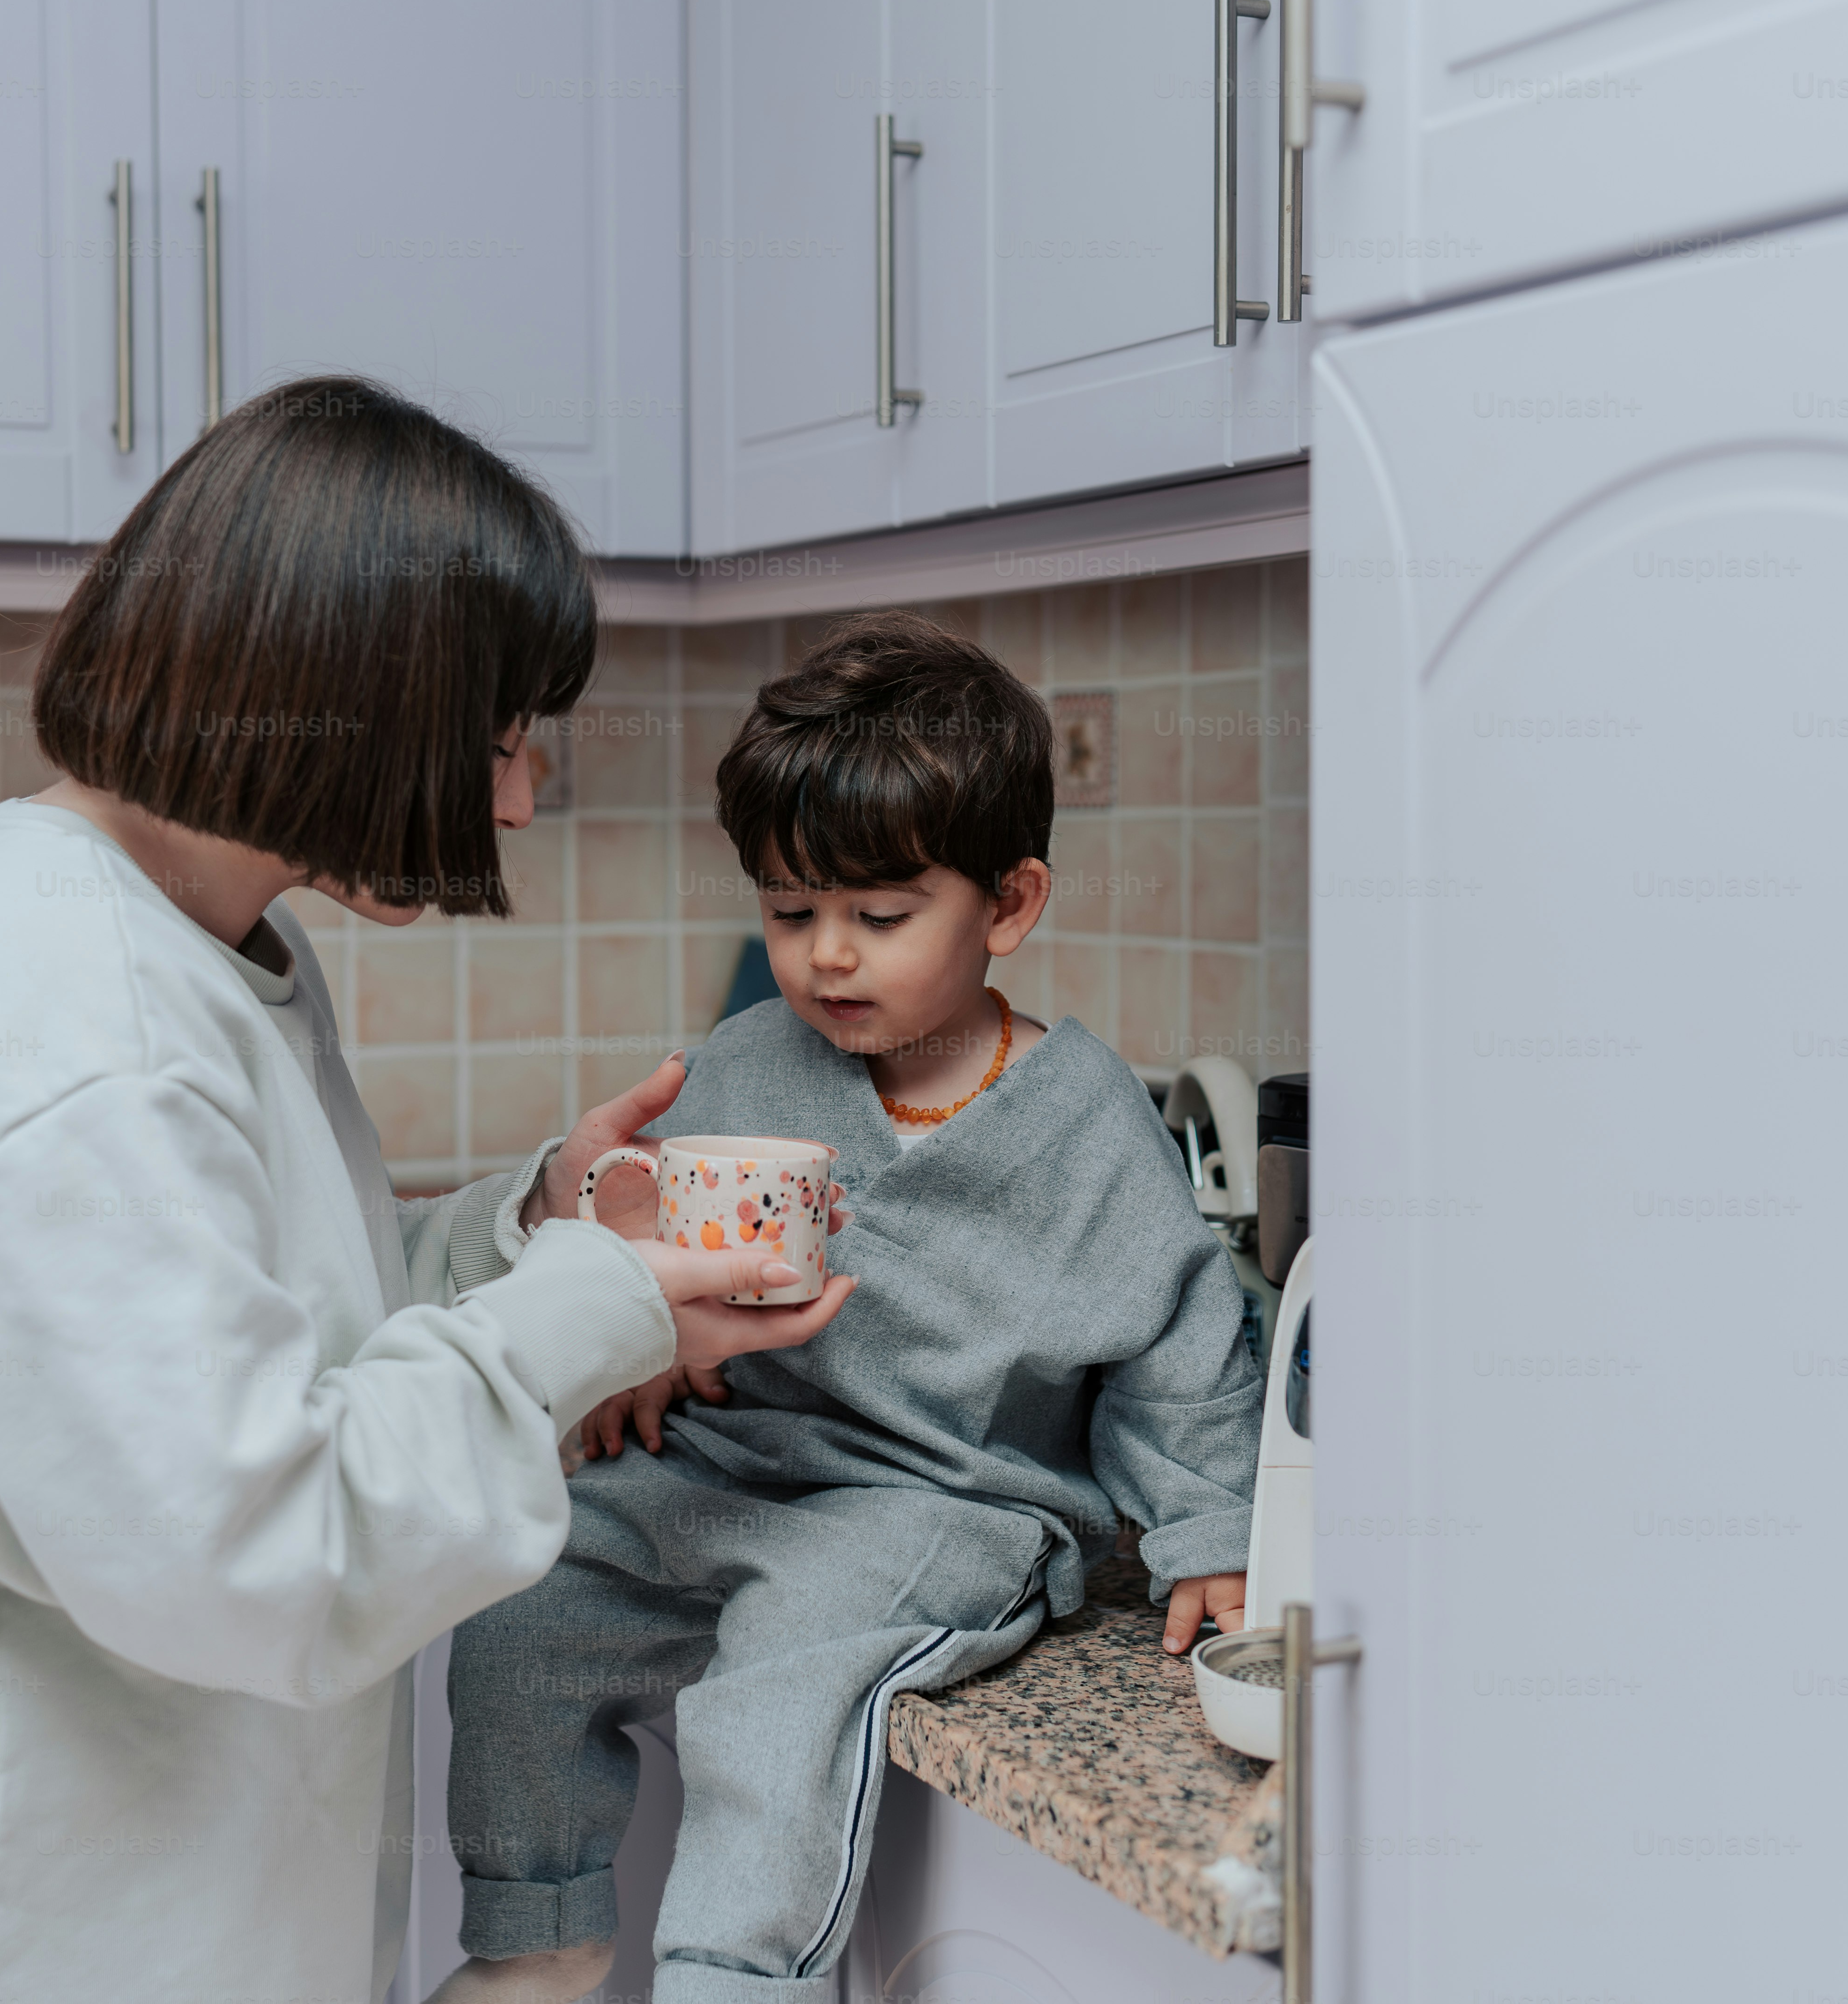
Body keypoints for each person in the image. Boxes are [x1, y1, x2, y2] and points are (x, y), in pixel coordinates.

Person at [0, 377, 852, 2004]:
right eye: (500, 735)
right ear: (353, 699)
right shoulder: (82, 1029)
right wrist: (599, 1308)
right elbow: (261, 1540)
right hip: (1, 1947)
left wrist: (536, 1229)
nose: (513, 797)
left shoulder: (172, 943)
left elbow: (272, 1323)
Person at [434, 613, 1265, 2004]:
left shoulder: (1084, 1118)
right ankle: (540, 1935)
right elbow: (658, 1260)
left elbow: (1178, 1342)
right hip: (738, 1464)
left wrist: (1212, 1534)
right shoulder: (748, 1059)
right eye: (788, 911)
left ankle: (731, 1977)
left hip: (940, 1499)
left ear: (1007, 904)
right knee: (522, 1582)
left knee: (786, 1683)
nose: (824, 957)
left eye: (879, 917)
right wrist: (626, 1350)